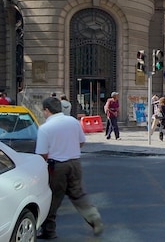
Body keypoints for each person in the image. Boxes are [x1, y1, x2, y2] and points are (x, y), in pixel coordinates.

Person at [35, 97, 103, 239]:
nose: (43, 113)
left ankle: (49, 231)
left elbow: (42, 154)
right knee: (78, 194)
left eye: (43, 110)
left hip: (57, 166)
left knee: (53, 198)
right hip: (75, 163)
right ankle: (94, 218)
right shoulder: (73, 121)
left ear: (47, 110)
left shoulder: (44, 128)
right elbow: (82, 142)